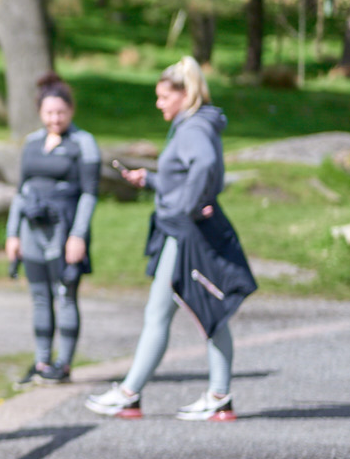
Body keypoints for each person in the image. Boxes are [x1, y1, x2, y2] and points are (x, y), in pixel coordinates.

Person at [85, 57, 255, 420]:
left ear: (184, 94)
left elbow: (206, 167)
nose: (159, 103)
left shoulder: (193, 128)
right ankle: (216, 397)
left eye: (163, 97)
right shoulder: (194, 124)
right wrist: (150, 179)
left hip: (187, 234)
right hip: (186, 231)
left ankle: (132, 394)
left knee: (173, 313)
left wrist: (188, 207)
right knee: (203, 312)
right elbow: (186, 175)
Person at [4, 73, 100, 385]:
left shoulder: (83, 144)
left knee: (65, 294)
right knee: (39, 296)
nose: (54, 118)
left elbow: (89, 193)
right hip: (33, 232)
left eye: (60, 112)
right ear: (40, 112)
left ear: (70, 111)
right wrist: (12, 233)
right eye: (48, 113)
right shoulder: (31, 144)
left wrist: (78, 235)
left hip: (64, 232)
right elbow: (21, 191)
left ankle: (65, 363)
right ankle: (42, 361)